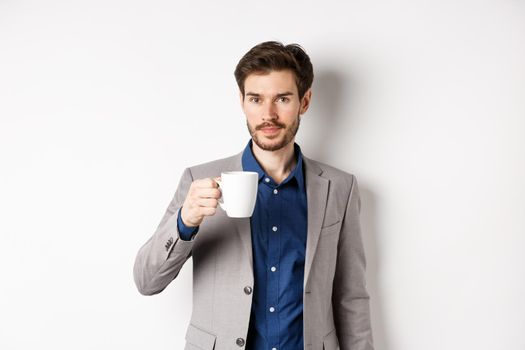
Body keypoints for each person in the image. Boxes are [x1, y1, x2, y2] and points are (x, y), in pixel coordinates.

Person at [133, 41, 374, 350]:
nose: (268, 114)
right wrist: (185, 220)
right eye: (256, 99)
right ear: (242, 101)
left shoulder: (339, 187)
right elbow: (146, 281)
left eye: (283, 98)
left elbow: (351, 296)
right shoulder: (199, 182)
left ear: (305, 101)